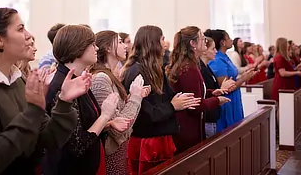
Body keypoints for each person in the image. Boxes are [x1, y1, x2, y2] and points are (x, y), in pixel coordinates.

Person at [0, 7, 88, 174]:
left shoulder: (18, 80)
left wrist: (64, 103)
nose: (29, 35)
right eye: (20, 29)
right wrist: (33, 110)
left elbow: (48, 138)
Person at [122, 25, 201, 174]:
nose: (165, 43)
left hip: (160, 136)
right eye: (162, 39)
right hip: (147, 141)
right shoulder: (136, 72)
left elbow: (169, 96)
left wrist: (180, 100)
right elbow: (144, 114)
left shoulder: (154, 68)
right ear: (152, 43)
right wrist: (173, 106)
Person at [44, 25, 121, 175]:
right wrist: (105, 115)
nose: (97, 48)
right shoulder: (63, 84)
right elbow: (78, 145)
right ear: (77, 47)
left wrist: (108, 123)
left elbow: (84, 126)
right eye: (92, 44)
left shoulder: (76, 78)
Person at [90, 30, 150, 175]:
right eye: (120, 42)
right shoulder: (101, 78)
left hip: (119, 150)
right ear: (108, 48)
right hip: (110, 153)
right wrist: (135, 98)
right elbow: (117, 130)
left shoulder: (110, 74)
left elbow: (123, 120)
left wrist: (135, 97)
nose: (125, 46)